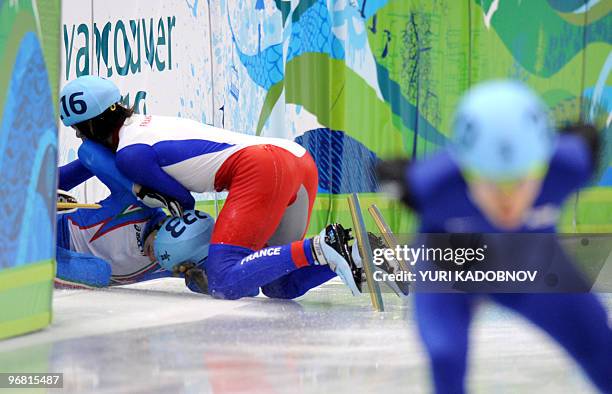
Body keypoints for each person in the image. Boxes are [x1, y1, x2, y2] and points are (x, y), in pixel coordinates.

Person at [377, 80, 612, 393]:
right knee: (446, 354)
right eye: (491, 183)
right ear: (465, 171)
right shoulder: (432, 187)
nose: (508, 201)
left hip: (533, 265)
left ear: (544, 166)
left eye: (521, 181)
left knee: (597, 341)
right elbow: (393, 178)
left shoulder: (569, 166)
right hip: (450, 268)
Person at [58, 76, 374, 300]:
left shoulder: (129, 154)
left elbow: (184, 202)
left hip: (260, 166)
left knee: (225, 280)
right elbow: (82, 165)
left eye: (77, 131)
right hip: (296, 159)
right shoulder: (141, 126)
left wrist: (142, 193)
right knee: (279, 284)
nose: (79, 139)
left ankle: (321, 246)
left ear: (88, 128)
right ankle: (364, 252)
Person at [57, 139, 213, 292]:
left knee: (100, 272)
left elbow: (212, 282)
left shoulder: (173, 262)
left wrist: (197, 279)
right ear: (163, 223)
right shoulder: (136, 203)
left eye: (160, 260)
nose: (152, 258)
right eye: (153, 248)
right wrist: (136, 188)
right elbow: (88, 151)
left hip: (71, 263)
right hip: (55, 231)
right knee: (100, 271)